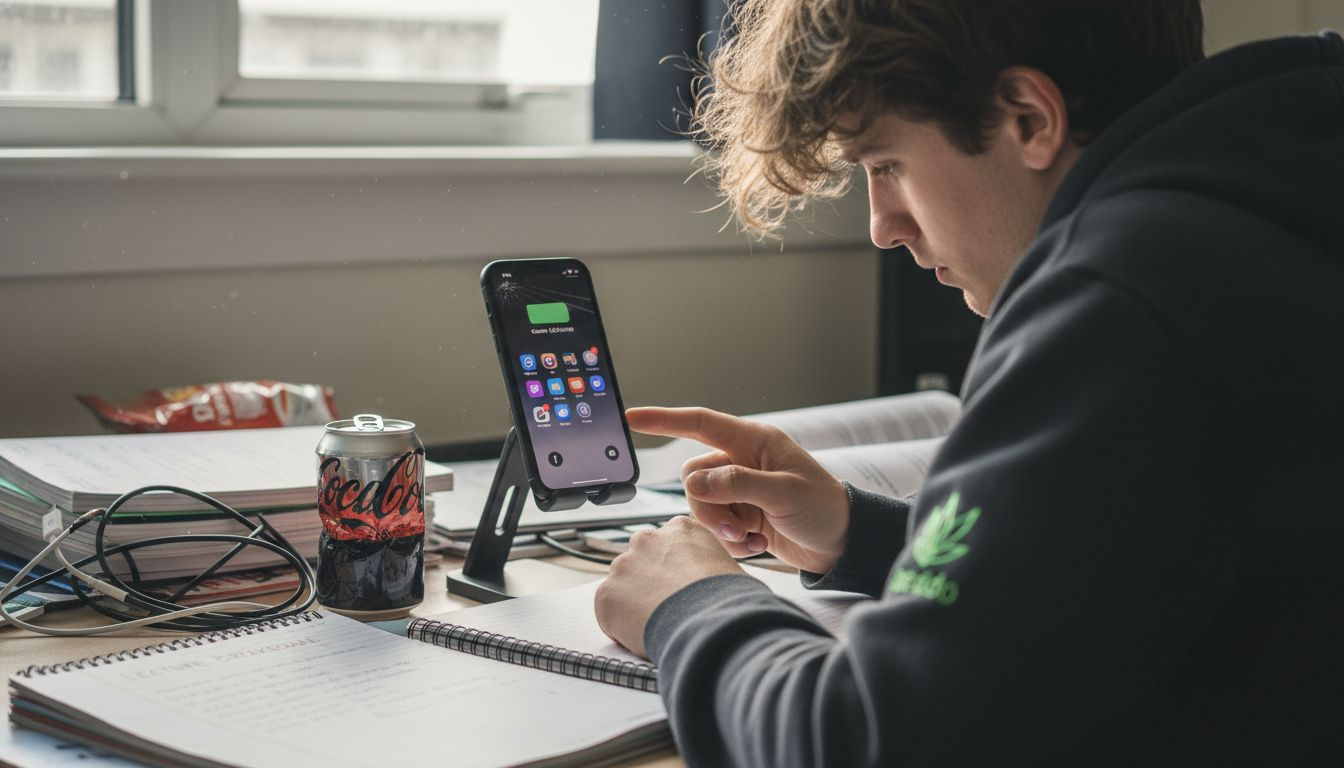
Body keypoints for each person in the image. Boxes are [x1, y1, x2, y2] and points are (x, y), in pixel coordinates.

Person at [592, 0, 1344, 765]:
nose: (884, 225)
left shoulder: (1124, 296)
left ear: (1027, 118)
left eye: (886, 164)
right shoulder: (1271, 194)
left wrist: (690, 601)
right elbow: (1117, 571)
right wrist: (865, 534)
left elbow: (868, 743)